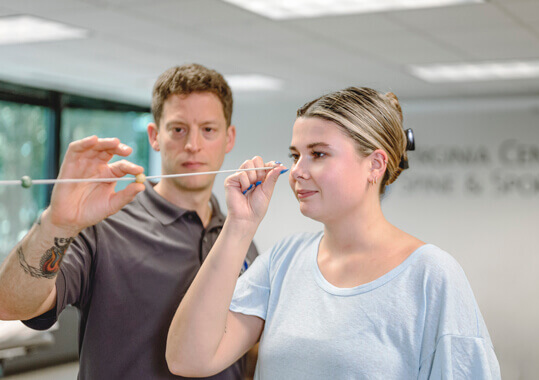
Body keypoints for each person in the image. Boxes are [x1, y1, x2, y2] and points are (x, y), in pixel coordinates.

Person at [165, 87, 501, 379]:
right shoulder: (284, 259)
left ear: (375, 165)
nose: (297, 171)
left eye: (318, 154)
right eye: (295, 155)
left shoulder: (431, 274)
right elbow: (188, 359)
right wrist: (239, 226)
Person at [0, 63, 258, 379]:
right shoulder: (104, 226)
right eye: (178, 129)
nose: (193, 144)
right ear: (154, 136)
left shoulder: (239, 236)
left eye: (208, 129)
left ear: (228, 138)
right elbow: (11, 305)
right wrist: (57, 223)